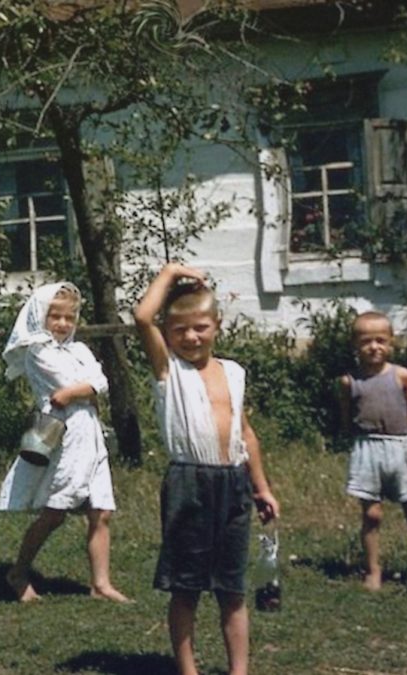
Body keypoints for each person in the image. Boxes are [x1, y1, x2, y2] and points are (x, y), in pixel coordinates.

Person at [133, 263, 279, 675]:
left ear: (217, 324)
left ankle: (239, 669)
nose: (191, 337)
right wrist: (172, 272)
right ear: (168, 332)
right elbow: (142, 317)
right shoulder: (169, 371)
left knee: (232, 586)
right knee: (187, 587)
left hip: (233, 483)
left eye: (200, 327)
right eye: (179, 330)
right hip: (189, 483)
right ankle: (188, 670)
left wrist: (261, 487)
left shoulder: (233, 373)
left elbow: (245, 433)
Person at [0, 282, 131, 604]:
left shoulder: (79, 350)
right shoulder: (38, 352)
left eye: (69, 318)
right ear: (39, 317)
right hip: (64, 433)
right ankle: (18, 571)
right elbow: (65, 387)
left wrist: (79, 391)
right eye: (54, 316)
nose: (62, 324)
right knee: (56, 510)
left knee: (101, 511)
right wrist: (82, 389)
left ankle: (101, 584)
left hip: (91, 433)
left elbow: (100, 382)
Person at [337, 311, 407, 591]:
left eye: (380, 340)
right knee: (372, 514)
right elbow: (347, 416)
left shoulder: (401, 376)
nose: (374, 347)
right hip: (367, 449)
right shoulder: (349, 381)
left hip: (400, 447)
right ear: (355, 345)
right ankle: (373, 570)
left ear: (391, 342)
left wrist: (402, 434)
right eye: (366, 341)